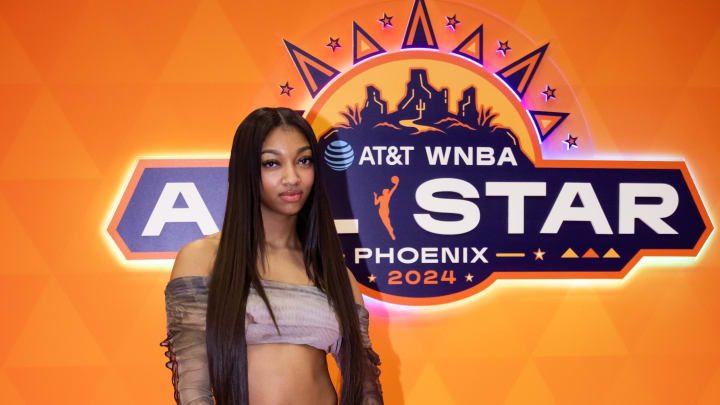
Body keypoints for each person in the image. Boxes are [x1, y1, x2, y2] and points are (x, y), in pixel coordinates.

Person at [159, 107, 384, 404]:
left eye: (304, 161)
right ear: (247, 171)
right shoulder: (203, 260)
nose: (292, 177)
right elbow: (193, 389)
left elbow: (366, 388)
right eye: (272, 163)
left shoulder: (334, 274)